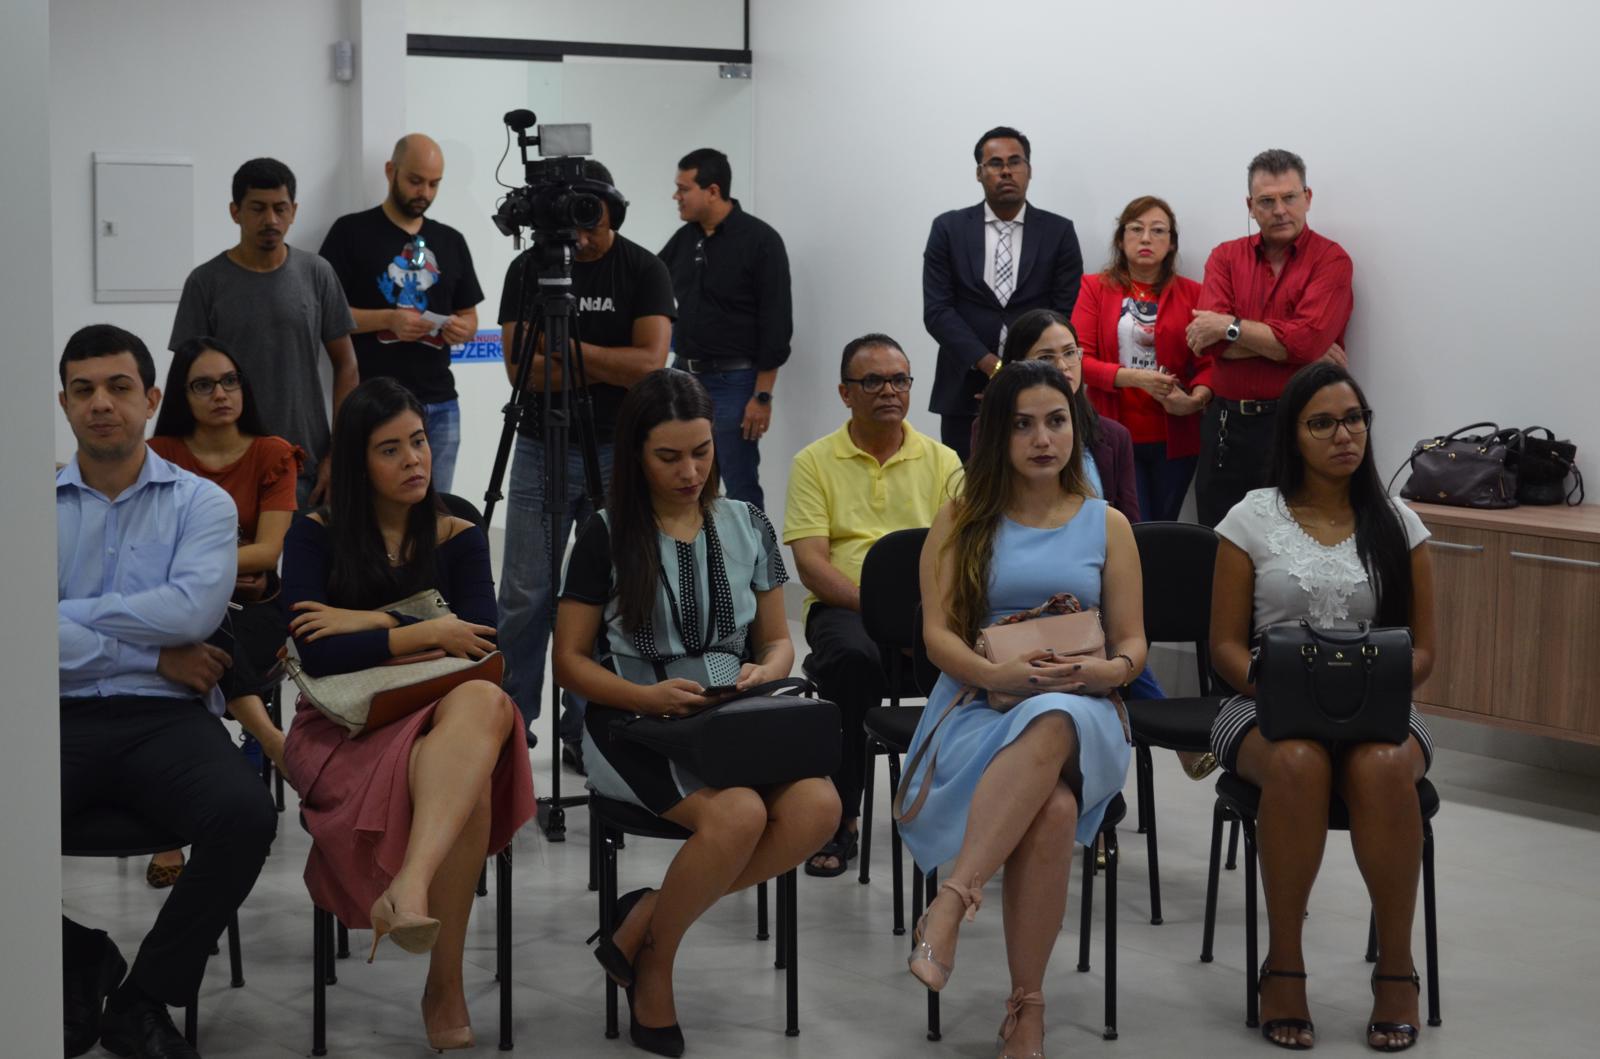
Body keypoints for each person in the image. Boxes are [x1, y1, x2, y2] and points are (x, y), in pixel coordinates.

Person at [552, 369, 837, 1057]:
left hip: (732, 717)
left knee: (819, 807)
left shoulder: (747, 522)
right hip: (633, 722)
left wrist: (767, 669)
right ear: (636, 454)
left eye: (702, 452)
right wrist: (645, 698)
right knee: (736, 815)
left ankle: (645, 921)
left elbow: (777, 641)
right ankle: (658, 964)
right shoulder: (604, 533)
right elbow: (570, 662)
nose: (690, 472)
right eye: (669, 457)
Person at [898, 359, 1143, 1059]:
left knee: (1056, 714)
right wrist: (994, 673)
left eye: (1057, 421)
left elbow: (1134, 645)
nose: (1043, 439)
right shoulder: (962, 517)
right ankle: (1027, 1009)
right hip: (979, 700)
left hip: (1084, 710)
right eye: (1023, 424)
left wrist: (1101, 671)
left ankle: (953, 899)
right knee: (1054, 811)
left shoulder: (1108, 524)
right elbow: (938, 636)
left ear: (1076, 427)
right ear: (996, 436)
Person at [280, 377, 534, 1051]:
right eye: (389, 449)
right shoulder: (314, 534)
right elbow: (317, 654)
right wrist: (426, 629)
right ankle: (442, 986)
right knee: (469, 778)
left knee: (485, 700)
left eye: (418, 441)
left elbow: (481, 645)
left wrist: (366, 621)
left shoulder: (458, 533)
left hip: (444, 717)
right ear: (357, 464)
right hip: (345, 726)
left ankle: (411, 889)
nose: (414, 459)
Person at [57, 324, 276, 1059]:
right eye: (84, 389)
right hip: (55, 715)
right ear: (64, 403)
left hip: (166, 719)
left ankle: (143, 998)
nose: (101, 403)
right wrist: (153, 654)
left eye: (118, 387)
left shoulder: (200, 504)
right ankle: (75, 955)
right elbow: (15, 632)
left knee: (245, 814)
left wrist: (62, 618)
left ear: (151, 399)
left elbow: (192, 614)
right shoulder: (26, 507)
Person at [1208, 362, 1435, 1052]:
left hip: (1377, 706)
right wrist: (1276, 688)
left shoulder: (1400, 523)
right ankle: (1284, 964)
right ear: (1293, 435)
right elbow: (1223, 646)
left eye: (1354, 419)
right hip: (1260, 700)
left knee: (1383, 764)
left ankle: (1397, 968)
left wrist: (1374, 689)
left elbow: (1425, 649)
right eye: (1324, 423)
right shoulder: (1250, 518)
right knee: (1299, 762)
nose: (1344, 435)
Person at [497, 159, 675, 753]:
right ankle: (507, 726)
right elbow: (521, 371)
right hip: (538, 446)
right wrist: (606, 363)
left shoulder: (644, 269)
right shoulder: (528, 269)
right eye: (569, 220)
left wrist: (566, 351)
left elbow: (649, 366)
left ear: (612, 211)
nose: (580, 235)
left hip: (618, 451)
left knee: (611, 594)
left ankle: (590, 731)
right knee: (525, 596)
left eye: (590, 218)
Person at [784, 334, 964, 877]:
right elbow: (811, 564)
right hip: (845, 606)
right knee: (851, 661)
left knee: (976, 659)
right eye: (873, 381)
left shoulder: (943, 461)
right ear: (845, 392)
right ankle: (840, 817)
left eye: (899, 379)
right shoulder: (814, 462)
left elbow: (959, 555)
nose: (889, 390)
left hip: (925, 608)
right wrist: (883, 613)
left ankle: (960, 814)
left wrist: (923, 619)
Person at [144, 337, 304, 888]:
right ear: (182, 395)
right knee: (191, 641)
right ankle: (268, 739)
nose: (220, 394)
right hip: (184, 608)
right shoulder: (159, 454)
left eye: (230, 381)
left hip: (255, 610)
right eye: (204, 385)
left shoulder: (272, 453)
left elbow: (269, 551)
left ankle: (168, 831)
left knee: (194, 654)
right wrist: (224, 566)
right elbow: (149, 551)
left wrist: (195, 567)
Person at [170, 157, 358, 506]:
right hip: (226, 470)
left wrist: (339, 453)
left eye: (280, 208)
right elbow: (186, 379)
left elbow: (347, 365)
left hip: (306, 465)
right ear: (235, 212)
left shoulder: (317, 273)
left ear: (293, 211)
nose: (271, 219)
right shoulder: (205, 282)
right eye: (257, 208)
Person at [1185, 149, 1354, 527]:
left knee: (1298, 544)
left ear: (1307, 198)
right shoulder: (1224, 257)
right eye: (1266, 201)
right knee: (1220, 543)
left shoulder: (1331, 260)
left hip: (1303, 426)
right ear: (1250, 206)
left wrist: (1230, 326)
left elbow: (1306, 340)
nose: (1279, 210)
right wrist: (1295, 348)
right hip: (1227, 428)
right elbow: (1210, 343)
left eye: (1289, 197)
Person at [318, 133, 484, 494]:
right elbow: (325, 314)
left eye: (434, 184)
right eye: (415, 180)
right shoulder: (350, 232)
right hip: (373, 403)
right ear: (390, 171)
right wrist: (388, 319)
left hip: (439, 403)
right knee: (372, 512)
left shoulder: (451, 240)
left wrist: (462, 329)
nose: (424, 192)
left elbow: (470, 317)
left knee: (437, 513)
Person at [923, 125, 1083, 460]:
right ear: (979, 173)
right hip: (964, 392)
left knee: (1037, 480)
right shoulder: (948, 229)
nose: (1006, 171)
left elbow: (1063, 312)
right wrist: (993, 367)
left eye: (1015, 162)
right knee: (966, 485)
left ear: (1029, 170)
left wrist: (1020, 372)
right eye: (995, 163)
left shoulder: (1059, 232)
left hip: (1041, 390)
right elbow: (938, 311)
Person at [659, 147, 792, 510]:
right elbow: (653, 288)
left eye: (683, 188)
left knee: (739, 484)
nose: (676, 196)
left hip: (734, 382)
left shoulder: (760, 241)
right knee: (680, 478)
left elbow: (776, 324)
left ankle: (750, 549)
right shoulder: (684, 239)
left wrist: (762, 397)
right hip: (683, 377)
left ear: (713, 191)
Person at [1075, 195, 1209, 522]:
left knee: (1164, 525)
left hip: (1175, 437)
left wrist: (1195, 400)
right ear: (1121, 240)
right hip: (1113, 433)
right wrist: (1137, 378)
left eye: (1158, 230)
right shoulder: (1094, 288)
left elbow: (1209, 364)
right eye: (1136, 229)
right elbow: (1080, 360)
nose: (1146, 238)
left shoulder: (1195, 293)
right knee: (1132, 526)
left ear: (1172, 243)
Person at [996, 309, 1139, 521]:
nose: (1062, 366)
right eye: (1046, 357)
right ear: (1017, 366)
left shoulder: (1115, 435)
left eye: (1070, 353)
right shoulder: (991, 427)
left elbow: (1131, 525)